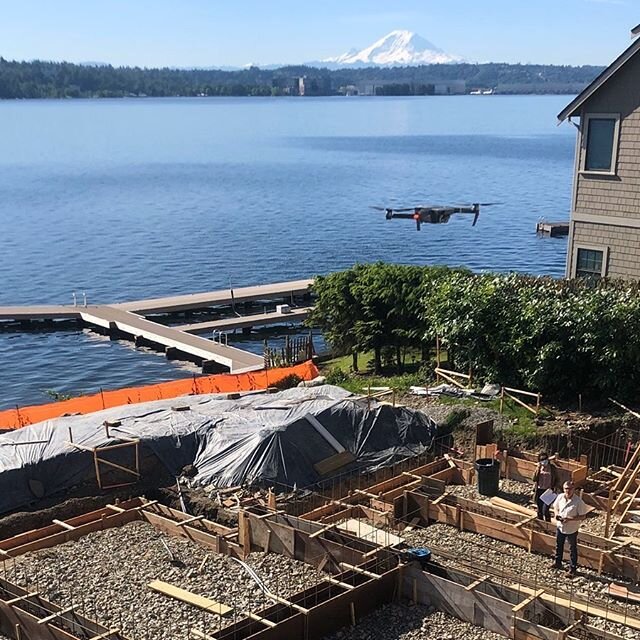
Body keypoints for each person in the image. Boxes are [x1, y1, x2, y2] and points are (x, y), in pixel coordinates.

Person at [551, 481, 589, 577]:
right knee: (559, 545)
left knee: (572, 548)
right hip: (560, 526)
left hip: (571, 529)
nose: (567, 491)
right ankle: (558, 562)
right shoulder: (560, 497)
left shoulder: (579, 502)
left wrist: (569, 519)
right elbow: (555, 507)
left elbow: (583, 516)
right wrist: (556, 515)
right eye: (566, 489)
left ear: (574, 490)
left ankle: (572, 568)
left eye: (570, 489)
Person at [532, 451, 557, 521]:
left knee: (545, 510)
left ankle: (548, 524)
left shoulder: (552, 468)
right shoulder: (539, 468)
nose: (544, 461)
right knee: (539, 510)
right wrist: (537, 469)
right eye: (542, 460)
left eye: (545, 459)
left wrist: (555, 488)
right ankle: (541, 525)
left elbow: (557, 479)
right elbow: (534, 479)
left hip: (548, 491)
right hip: (539, 490)